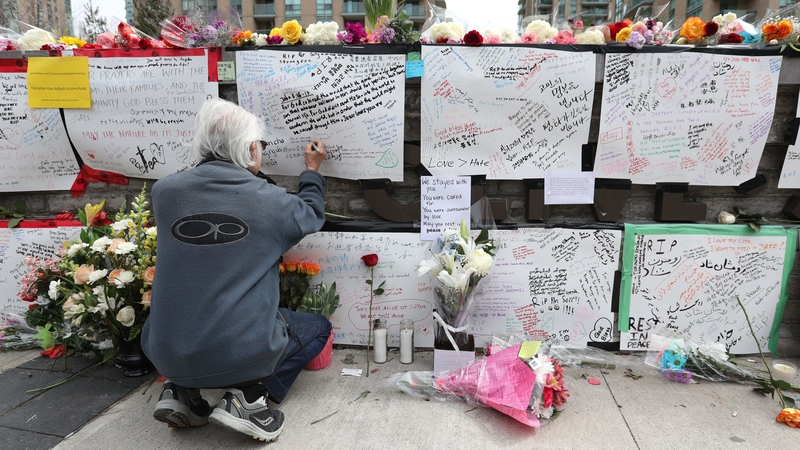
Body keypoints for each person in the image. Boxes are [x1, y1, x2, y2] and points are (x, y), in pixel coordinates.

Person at [141, 98, 331, 443]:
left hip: (163, 351)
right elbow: (311, 213)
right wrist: (311, 171)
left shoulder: (164, 193)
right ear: (250, 149)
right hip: (241, 348)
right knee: (316, 327)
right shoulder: (271, 201)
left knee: (196, 312)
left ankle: (182, 391)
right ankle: (248, 396)